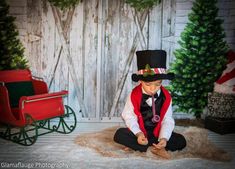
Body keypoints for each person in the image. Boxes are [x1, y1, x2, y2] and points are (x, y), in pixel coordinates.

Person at [113, 50, 186, 159]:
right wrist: (138, 134)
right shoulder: (134, 95)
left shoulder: (166, 96)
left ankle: (146, 146)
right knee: (119, 134)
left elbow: (167, 119)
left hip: (158, 133)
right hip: (141, 133)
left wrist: (164, 138)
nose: (153, 88)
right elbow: (129, 117)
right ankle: (152, 148)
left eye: (158, 84)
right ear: (141, 81)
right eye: (148, 84)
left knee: (181, 141)